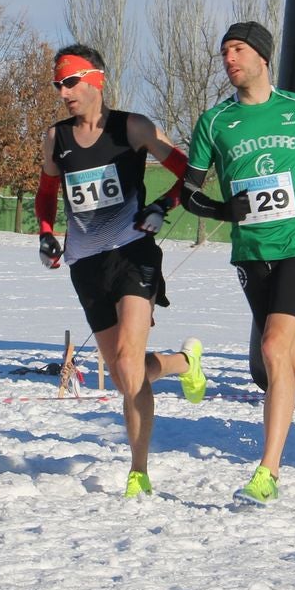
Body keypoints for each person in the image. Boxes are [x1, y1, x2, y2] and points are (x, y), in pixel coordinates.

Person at [181, 21, 295, 505]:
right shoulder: (215, 122)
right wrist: (225, 209)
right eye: (223, 52)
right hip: (252, 252)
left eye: (238, 49)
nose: (229, 59)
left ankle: (268, 472)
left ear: (263, 57)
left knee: (272, 345)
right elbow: (189, 193)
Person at [35, 43, 207, 498]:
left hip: (133, 252)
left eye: (70, 81)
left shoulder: (133, 126)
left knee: (129, 362)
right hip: (85, 263)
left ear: (96, 79)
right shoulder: (57, 139)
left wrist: (161, 206)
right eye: (58, 84)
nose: (64, 92)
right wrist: (46, 232)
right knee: (122, 373)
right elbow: (47, 192)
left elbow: (192, 173)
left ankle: (138, 470)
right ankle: (183, 363)